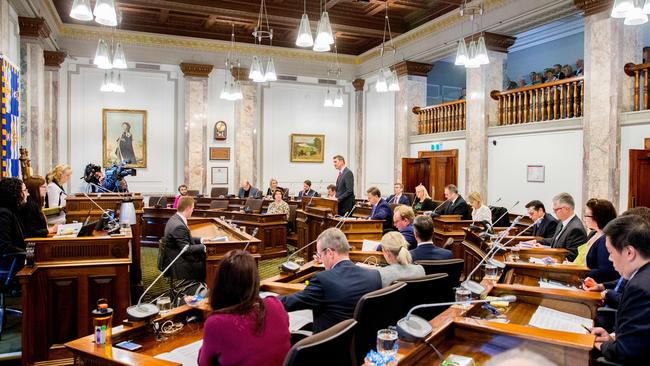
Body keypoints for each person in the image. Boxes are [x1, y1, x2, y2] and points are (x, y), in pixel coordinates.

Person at [279, 228, 381, 333]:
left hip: (329, 345)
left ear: (329, 253)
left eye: (320, 255)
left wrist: (266, 301)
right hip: (362, 343)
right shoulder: (374, 276)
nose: (320, 260)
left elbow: (292, 302)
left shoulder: (322, 280)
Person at [198, 250, 290, 366]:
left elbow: (203, 363)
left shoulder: (216, 324)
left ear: (220, 283)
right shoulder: (275, 304)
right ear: (255, 281)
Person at [589, 215, 650, 364]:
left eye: (610, 252)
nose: (610, 259)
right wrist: (613, 338)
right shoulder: (641, 277)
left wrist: (602, 344)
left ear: (629, 252)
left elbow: (626, 352)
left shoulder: (640, 287)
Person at [572, 198, 618, 283]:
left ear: (598, 217)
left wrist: (577, 272)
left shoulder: (606, 239)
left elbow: (604, 271)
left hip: (593, 283)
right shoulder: (593, 234)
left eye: (586, 216)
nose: (584, 218)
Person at [163, 196, 206, 282]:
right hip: (179, 264)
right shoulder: (179, 226)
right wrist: (204, 247)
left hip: (173, 256)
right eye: (192, 208)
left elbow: (184, 237)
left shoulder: (175, 218)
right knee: (208, 264)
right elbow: (186, 249)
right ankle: (202, 289)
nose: (193, 211)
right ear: (187, 208)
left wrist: (201, 240)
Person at [537, 192, 587, 261]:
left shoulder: (576, 229)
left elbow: (572, 256)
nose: (554, 212)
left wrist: (547, 253)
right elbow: (555, 240)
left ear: (566, 209)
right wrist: (538, 242)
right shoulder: (561, 222)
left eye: (556, 209)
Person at [0, 177, 27, 256]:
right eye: (25, 190)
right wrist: (30, 253)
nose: (27, 194)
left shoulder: (13, 211)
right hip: (9, 265)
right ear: (16, 193)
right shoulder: (4, 213)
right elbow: (4, 247)